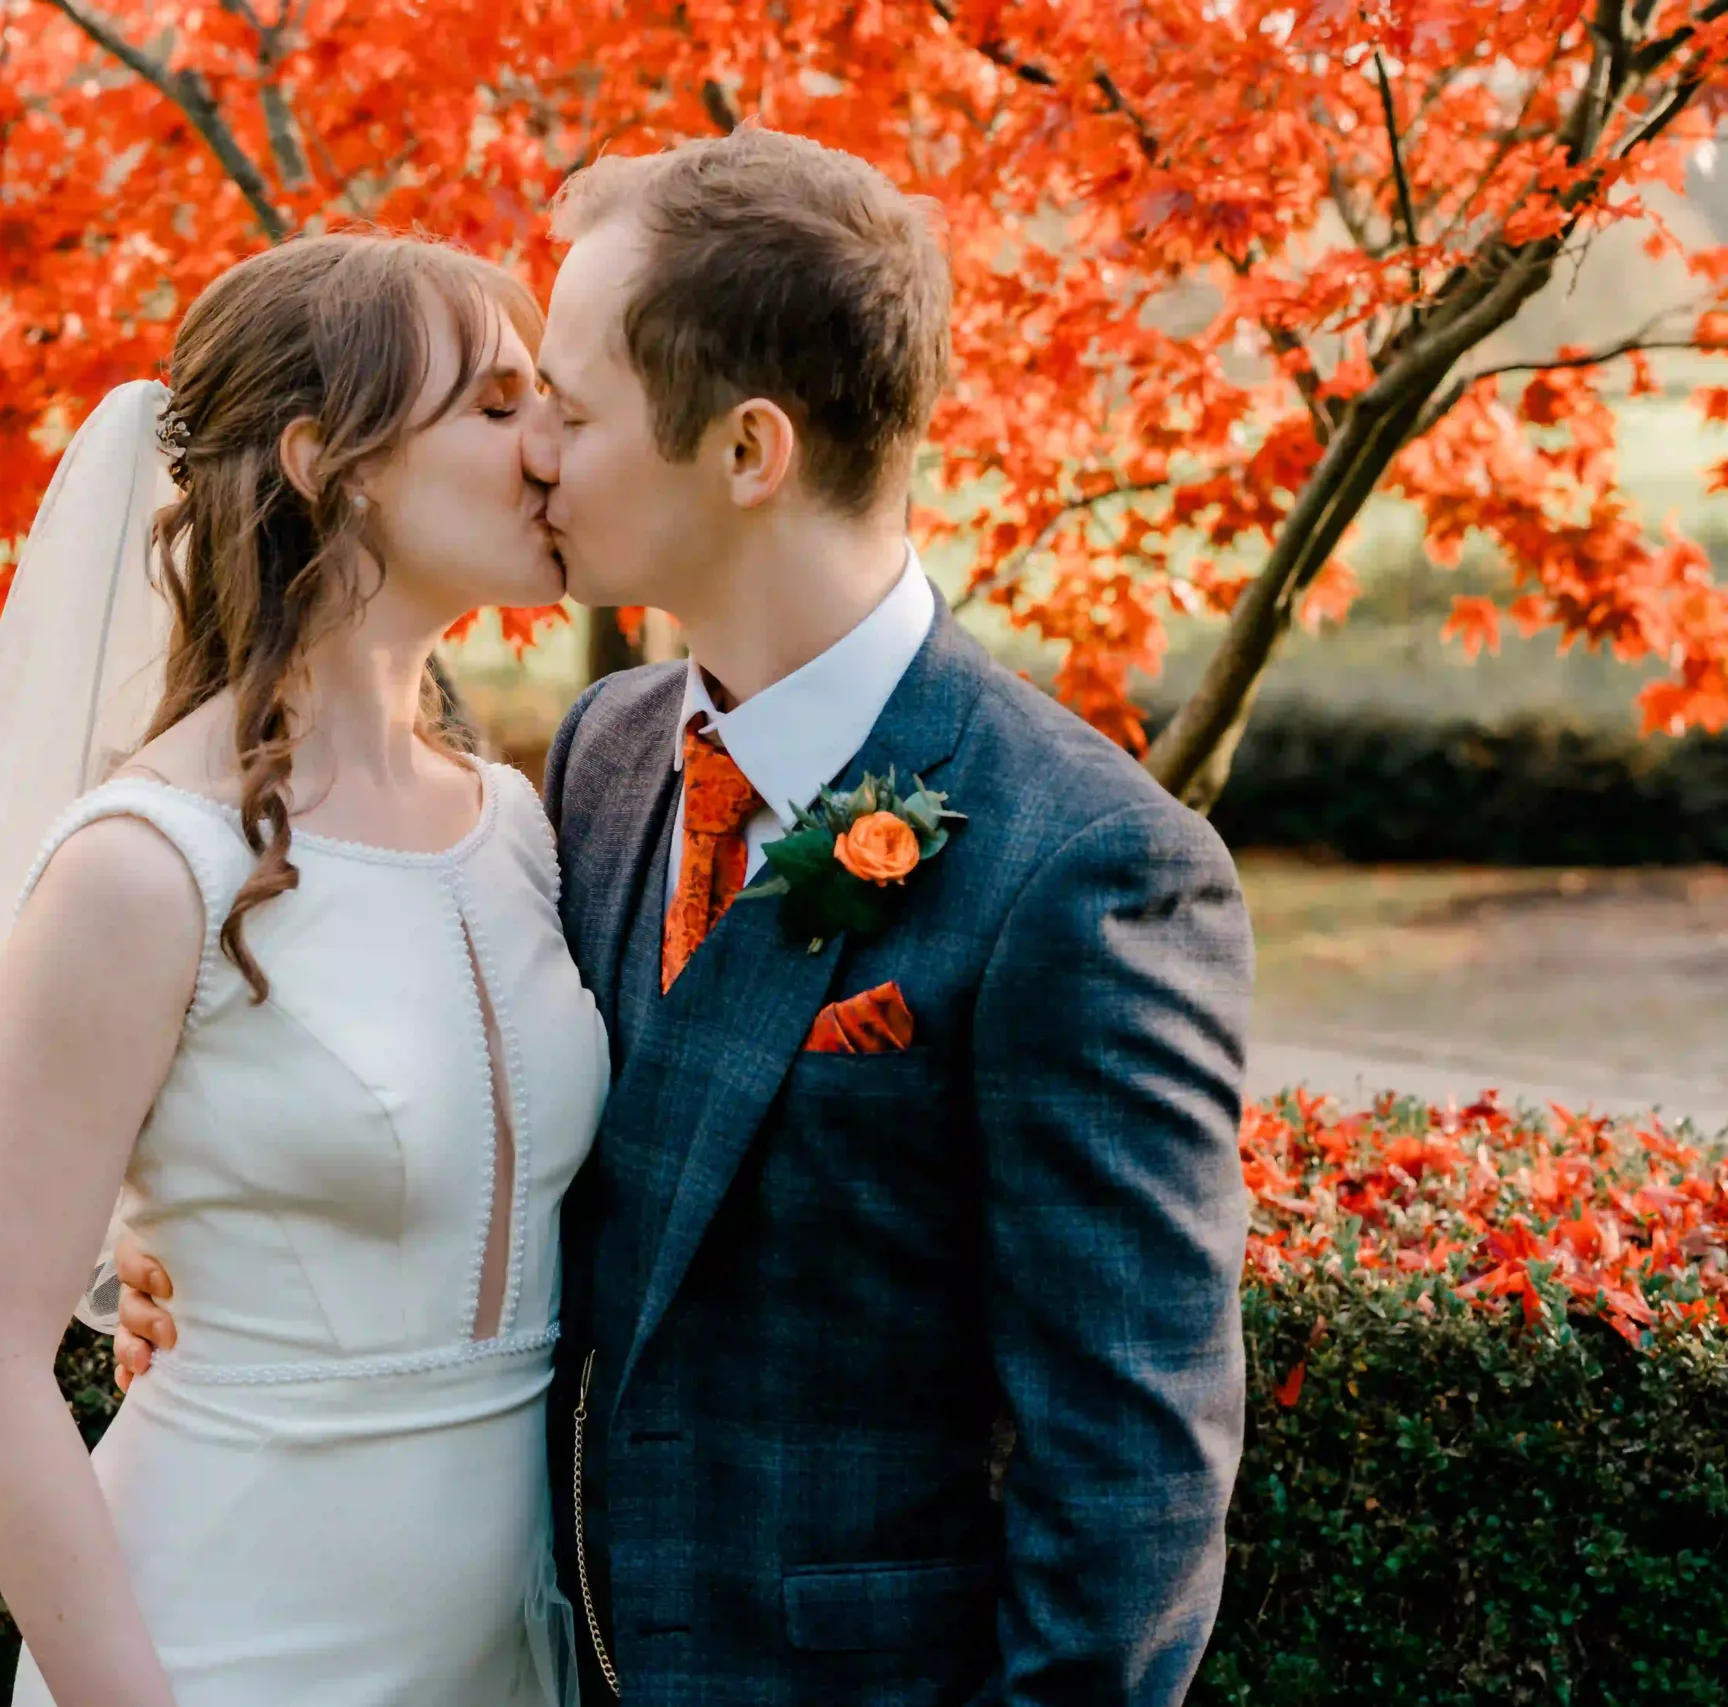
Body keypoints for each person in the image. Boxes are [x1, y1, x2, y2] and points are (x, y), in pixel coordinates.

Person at [108, 126, 1257, 1706]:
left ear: (747, 453)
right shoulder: (603, 755)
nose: (534, 456)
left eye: (568, 411)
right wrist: (191, 1231)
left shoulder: (1093, 865)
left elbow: (1131, 1491)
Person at [0, 234, 608, 1706]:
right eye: (492, 407)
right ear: (326, 460)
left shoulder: (524, 828)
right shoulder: (145, 866)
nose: (549, 446)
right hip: (224, 1643)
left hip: (506, 1653)